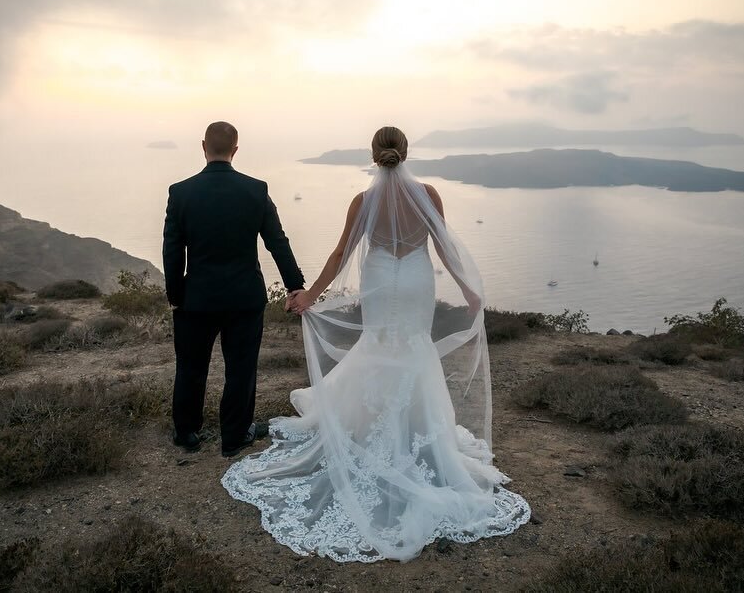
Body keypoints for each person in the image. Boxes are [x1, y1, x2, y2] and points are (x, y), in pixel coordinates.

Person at [221, 126, 530, 562]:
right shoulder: (428, 193)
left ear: (374, 154)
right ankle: (418, 434)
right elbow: (445, 248)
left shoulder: (363, 201)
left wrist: (310, 295)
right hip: (418, 281)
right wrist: (470, 291)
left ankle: (369, 431)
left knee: (380, 347)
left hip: (382, 281)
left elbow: (340, 255)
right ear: (406, 153)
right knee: (414, 350)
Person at [163, 121, 305, 457]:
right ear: (235, 150)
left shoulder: (180, 192)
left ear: (203, 147)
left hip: (195, 298)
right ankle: (234, 436)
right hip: (244, 298)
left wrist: (175, 295)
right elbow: (277, 242)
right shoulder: (256, 190)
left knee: (190, 367)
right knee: (241, 368)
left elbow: (172, 249)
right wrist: (295, 285)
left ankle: (187, 434)